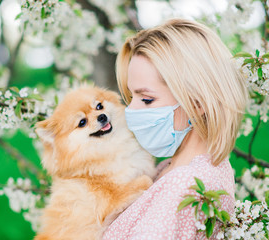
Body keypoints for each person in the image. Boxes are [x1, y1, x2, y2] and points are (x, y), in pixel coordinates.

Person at [102, 18, 247, 239]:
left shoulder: (185, 187)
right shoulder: (171, 169)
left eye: (147, 100)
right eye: (132, 97)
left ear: (197, 102)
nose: (130, 110)